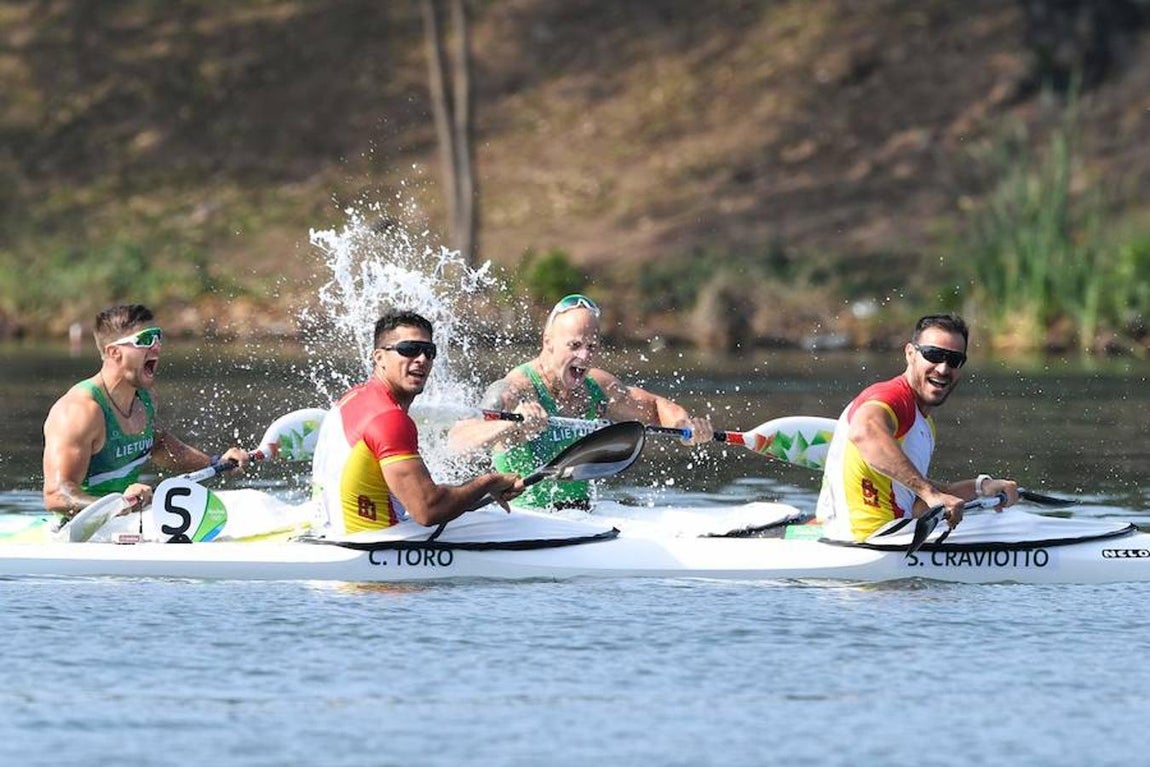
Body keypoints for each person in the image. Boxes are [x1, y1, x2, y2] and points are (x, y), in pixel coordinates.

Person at [448, 293, 714, 509]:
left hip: (581, 515)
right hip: (524, 519)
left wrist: (684, 427)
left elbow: (655, 407)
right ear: (548, 342)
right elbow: (458, 440)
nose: (585, 356)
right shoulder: (514, 389)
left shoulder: (597, 387)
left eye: (592, 346)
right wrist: (511, 424)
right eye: (575, 346)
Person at [311, 310, 525, 536]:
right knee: (508, 526)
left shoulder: (353, 397)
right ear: (379, 357)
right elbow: (428, 510)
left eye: (428, 351)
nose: (422, 359)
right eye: (409, 349)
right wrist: (489, 482)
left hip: (333, 533)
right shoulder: (390, 419)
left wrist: (479, 489)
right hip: (374, 543)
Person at [816, 313, 1020, 541]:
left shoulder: (924, 423)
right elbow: (864, 432)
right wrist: (930, 493)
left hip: (891, 537)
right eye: (934, 355)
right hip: (864, 542)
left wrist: (981, 487)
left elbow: (915, 501)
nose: (943, 369)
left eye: (954, 360)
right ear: (910, 354)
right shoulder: (892, 397)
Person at [42, 304, 251, 516]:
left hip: (125, 519)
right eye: (145, 340)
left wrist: (215, 462)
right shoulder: (79, 411)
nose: (156, 347)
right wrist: (119, 504)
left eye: (158, 337)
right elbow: (57, 496)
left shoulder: (145, 398)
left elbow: (159, 445)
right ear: (114, 352)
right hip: (77, 526)